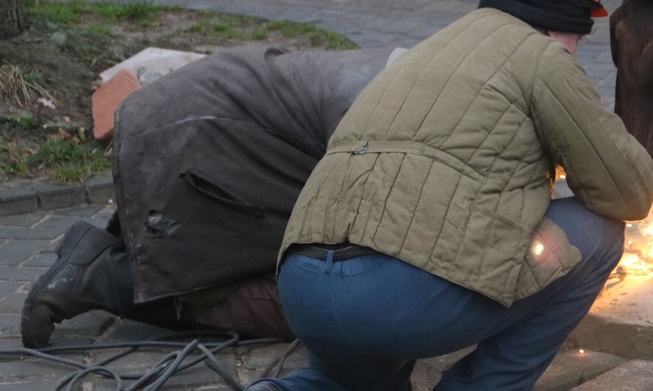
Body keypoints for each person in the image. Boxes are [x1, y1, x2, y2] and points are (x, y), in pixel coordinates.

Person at [225, 0, 653, 391]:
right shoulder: (542, 58)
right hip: (398, 299)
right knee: (598, 230)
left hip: (304, 288)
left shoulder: (428, 51)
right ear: (573, 15)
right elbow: (628, 191)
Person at [20, 45, 403, 347]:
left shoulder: (425, 69)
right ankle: (108, 277)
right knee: (340, 304)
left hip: (196, 124)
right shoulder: (401, 119)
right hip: (196, 146)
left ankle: (135, 253)